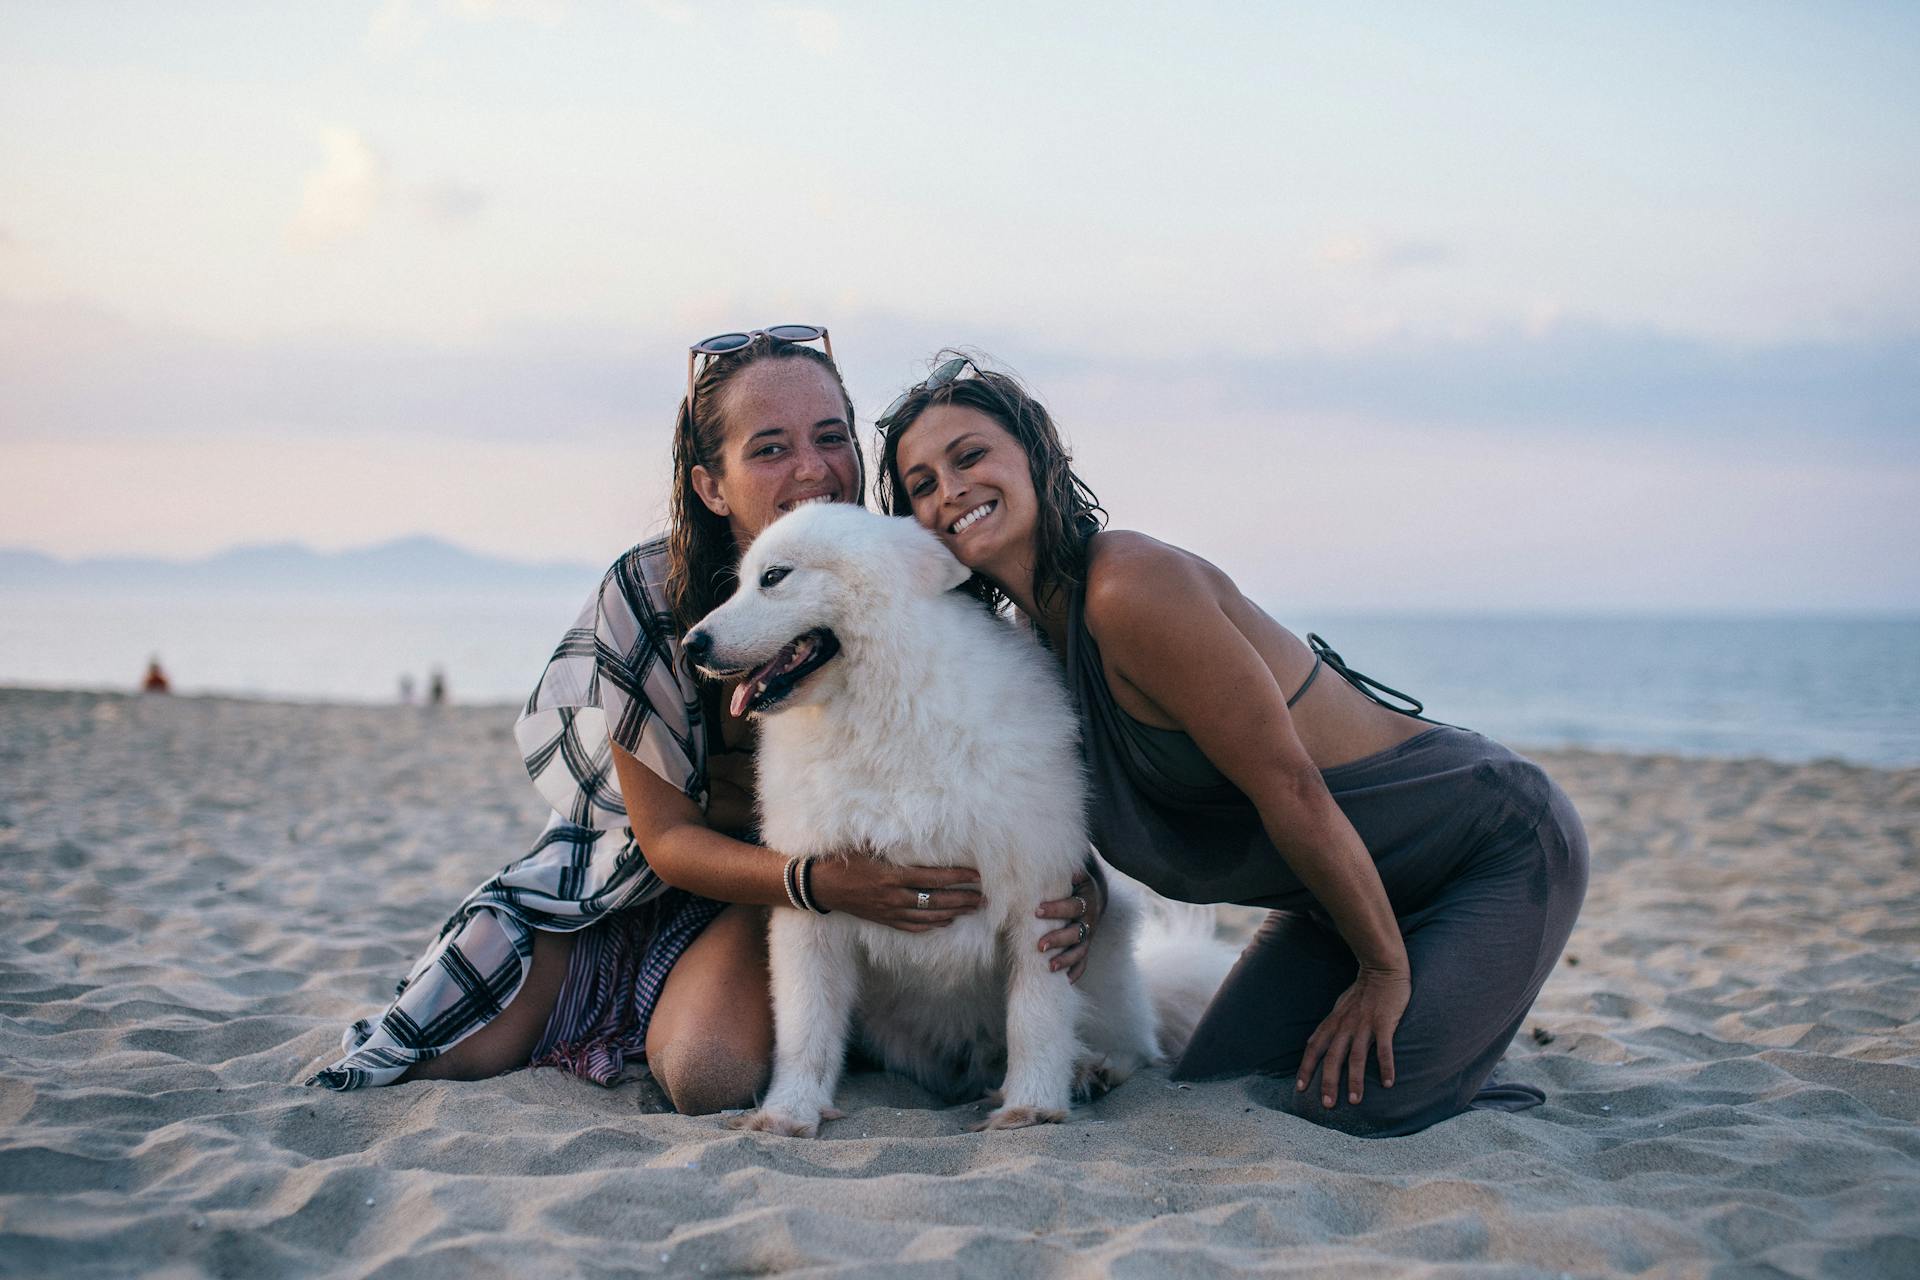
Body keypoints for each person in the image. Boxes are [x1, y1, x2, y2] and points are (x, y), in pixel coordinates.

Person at [308, 330, 1103, 1111]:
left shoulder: (898, 567)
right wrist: (820, 882)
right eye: (769, 448)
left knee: (707, 1074)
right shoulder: (647, 593)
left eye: (831, 438)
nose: (813, 470)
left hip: (766, 895)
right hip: (639, 876)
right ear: (710, 484)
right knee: (445, 1055)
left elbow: (1007, 764)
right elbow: (666, 839)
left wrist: (1074, 880)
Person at [878, 354, 1589, 1137]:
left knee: (1355, 1109)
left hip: (1489, 850)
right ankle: (1440, 1017)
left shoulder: (1127, 588)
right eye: (921, 484)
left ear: (1036, 454)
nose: (949, 491)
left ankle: (1452, 1048)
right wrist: (1079, 886)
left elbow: (1292, 787)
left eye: (969, 455)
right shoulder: (1026, 651)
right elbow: (1065, 813)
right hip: (1333, 903)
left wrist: (1386, 973)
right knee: (1216, 1087)